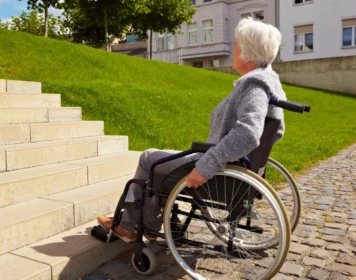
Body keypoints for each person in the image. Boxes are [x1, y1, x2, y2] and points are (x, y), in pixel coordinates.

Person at [97, 17, 287, 243]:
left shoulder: (254, 87)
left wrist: (208, 164)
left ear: (247, 53)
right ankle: (149, 220)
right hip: (231, 165)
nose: (234, 49)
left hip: (219, 170)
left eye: (237, 45)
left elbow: (248, 134)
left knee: (148, 158)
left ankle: (129, 225)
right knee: (165, 154)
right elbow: (276, 131)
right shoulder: (268, 83)